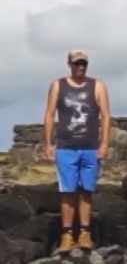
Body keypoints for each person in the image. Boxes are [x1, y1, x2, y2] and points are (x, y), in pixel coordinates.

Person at [42, 49, 111, 252]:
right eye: (76, 64)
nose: (80, 67)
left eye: (83, 64)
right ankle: (66, 235)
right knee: (67, 192)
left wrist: (105, 143)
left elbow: (106, 116)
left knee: (86, 191)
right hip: (65, 147)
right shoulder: (58, 85)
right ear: (69, 64)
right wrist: (47, 143)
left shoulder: (97, 86)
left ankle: (84, 233)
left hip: (90, 147)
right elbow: (49, 114)